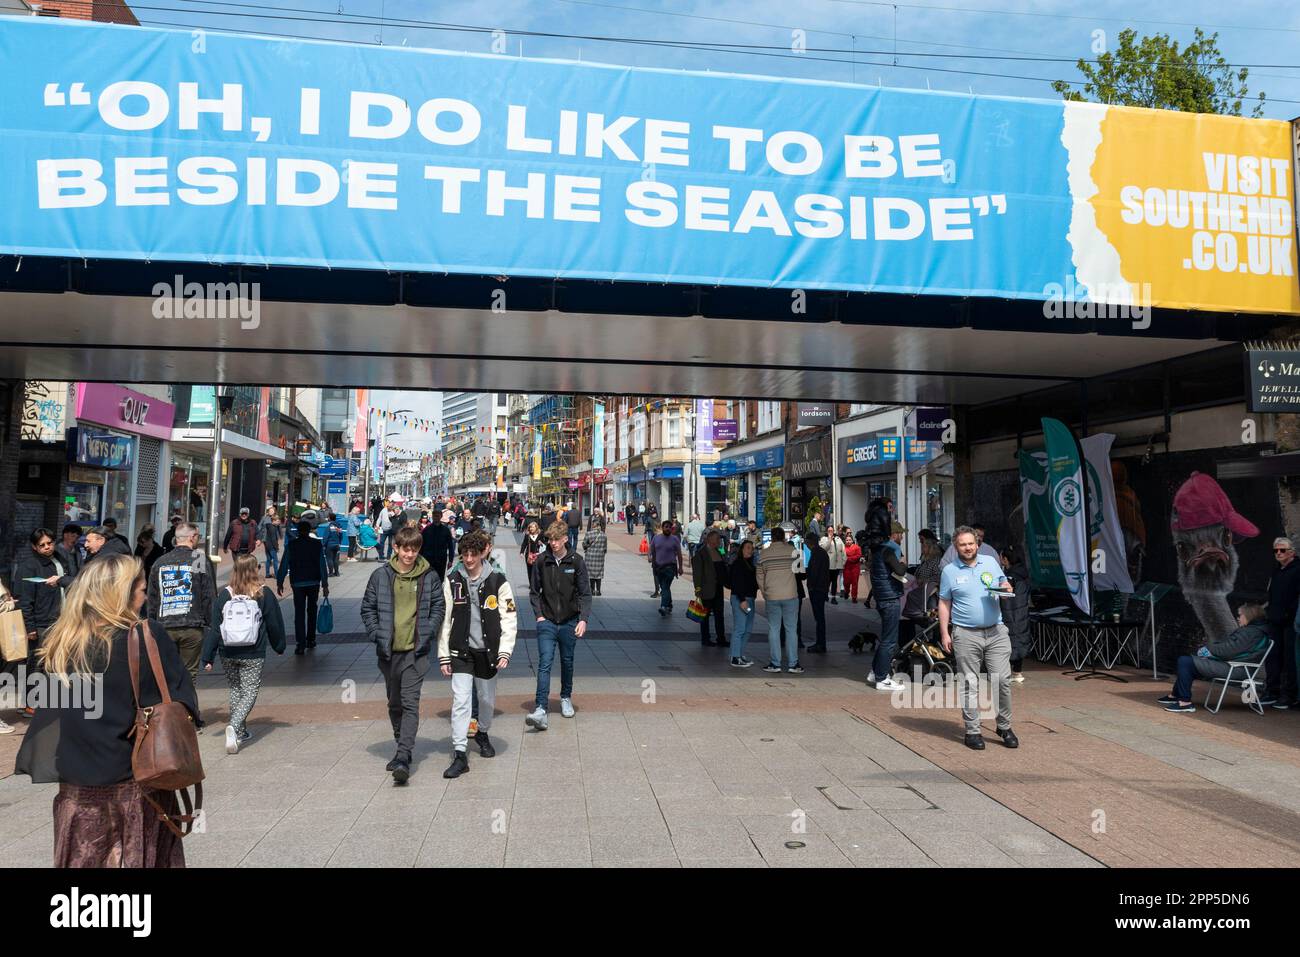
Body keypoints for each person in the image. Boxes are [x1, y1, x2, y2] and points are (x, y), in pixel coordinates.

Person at [14, 554, 198, 867]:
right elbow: (178, 700)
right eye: (141, 592)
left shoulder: (61, 642)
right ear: (120, 597)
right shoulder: (143, 637)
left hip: (77, 785)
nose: (145, 599)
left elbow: (58, 709)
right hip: (135, 780)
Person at [361, 525, 445, 783]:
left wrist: (428, 633)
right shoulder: (381, 576)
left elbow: (438, 608)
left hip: (415, 653)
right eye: (405, 549)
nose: (410, 554)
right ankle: (402, 744)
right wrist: (376, 633)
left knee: (410, 703)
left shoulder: (428, 576)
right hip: (388, 652)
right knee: (394, 703)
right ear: (396, 548)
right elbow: (368, 608)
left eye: (414, 549)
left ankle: (403, 755)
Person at [438, 530, 517, 778]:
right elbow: (445, 620)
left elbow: (509, 618)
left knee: (486, 699)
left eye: (473, 554)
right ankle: (460, 752)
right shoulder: (452, 580)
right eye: (465, 554)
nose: (469, 559)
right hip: (461, 651)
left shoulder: (498, 581)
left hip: (488, 651)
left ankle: (482, 731)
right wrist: (443, 654)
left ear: (483, 553)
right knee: (461, 700)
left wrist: (505, 651)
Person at [939, 526, 1017, 750]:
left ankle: (1004, 725)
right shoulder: (950, 571)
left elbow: (1003, 583)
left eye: (970, 543)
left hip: (995, 631)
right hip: (965, 633)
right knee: (969, 683)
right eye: (962, 544)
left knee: (1002, 681)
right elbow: (944, 603)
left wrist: (1005, 586)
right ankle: (972, 731)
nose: (967, 547)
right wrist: (945, 632)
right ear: (956, 547)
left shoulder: (991, 562)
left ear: (977, 544)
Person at [201, 553, 287, 754]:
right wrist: (279, 646)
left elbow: (215, 628)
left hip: (227, 650)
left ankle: (240, 732)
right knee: (249, 691)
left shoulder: (225, 594)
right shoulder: (263, 593)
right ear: (255, 569)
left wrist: (208, 656)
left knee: (235, 689)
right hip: (253, 651)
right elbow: (274, 623)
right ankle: (235, 724)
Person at [526, 521, 592, 731]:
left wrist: (583, 619)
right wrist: (539, 616)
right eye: (550, 540)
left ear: (565, 539)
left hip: (569, 621)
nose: (552, 543)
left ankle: (565, 697)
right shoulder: (542, 561)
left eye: (556, 539)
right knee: (545, 662)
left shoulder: (576, 561)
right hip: (547, 620)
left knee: (567, 661)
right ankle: (540, 708)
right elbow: (534, 591)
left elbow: (585, 593)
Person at [1160, 603, 1271, 713]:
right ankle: (1176, 695)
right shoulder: (1255, 631)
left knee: (1185, 662)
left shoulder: (1251, 632)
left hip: (1235, 669)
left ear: (1249, 616)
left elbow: (1229, 650)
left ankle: (1184, 703)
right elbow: (1233, 649)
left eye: (1240, 615)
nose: (1238, 618)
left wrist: (1209, 650)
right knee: (1188, 665)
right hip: (1236, 667)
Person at [146, 522, 217, 695]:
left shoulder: (161, 562)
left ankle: (170, 708)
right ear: (192, 537)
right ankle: (188, 712)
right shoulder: (197, 559)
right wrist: (211, 623)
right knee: (189, 674)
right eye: (198, 537)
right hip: (192, 625)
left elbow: (152, 599)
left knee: (168, 672)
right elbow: (207, 594)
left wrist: (152, 626)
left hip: (164, 627)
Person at [14, 529, 74, 715]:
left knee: (54, 664)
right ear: (34, 547)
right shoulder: (29, 566)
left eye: (49, 543)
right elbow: (25, 599)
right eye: (42, 545)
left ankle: (46, 701)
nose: (47, 547)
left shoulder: (60, 559)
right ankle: (30, 704)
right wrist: (30, 626)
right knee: (35, 664)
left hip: (60, 620)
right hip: (41, 623)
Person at [277, 520, 330, 654]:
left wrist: (280, 581)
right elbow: (321, 564)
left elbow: (284, 564)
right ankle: (311, 639)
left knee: (299, 613)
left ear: (298, 531)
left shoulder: (292, 545)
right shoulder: (316, 544)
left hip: (298, 583)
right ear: (309, 530)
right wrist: (325, 584)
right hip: (313, 582)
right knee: (312, 611)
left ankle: (300, 643)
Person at [867, 522, 909, 691]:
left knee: (886, 638)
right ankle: (882, 678)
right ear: (893, 535)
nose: (902, 537)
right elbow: (900, 571)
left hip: (882, 597)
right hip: (890, 597)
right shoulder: (889, 550)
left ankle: (875, 671)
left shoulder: (877, 550)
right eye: (900, 534)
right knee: (890, 640)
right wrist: (904, 563)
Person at [1262, 536, 1300, 709]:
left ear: (1291, 552)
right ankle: (1272, 691)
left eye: (1282, 550)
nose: (1278, 553)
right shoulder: (1276, 570)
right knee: (1272, 657)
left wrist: (1288, 614)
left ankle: (1288, 695)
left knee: (1289, 659)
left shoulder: (1298, 570)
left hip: (1290, 622)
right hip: (1274, 620)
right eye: (1276, 550)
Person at [757, 527, 802, 674]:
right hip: (790, 595)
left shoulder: (763, 554)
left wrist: (765, 592)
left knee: (774, 629)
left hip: (772, 596)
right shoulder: (793, 551)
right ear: (783, 537)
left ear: (772, 537)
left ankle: (775, 663)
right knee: (791, 629)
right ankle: (793, 664)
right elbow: (800, 571)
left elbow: (759, 576)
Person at [690, 529, 728, 647]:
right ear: (710, 540)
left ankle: (721, 638)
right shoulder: (701, 554)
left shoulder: (719, 551)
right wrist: (698, 589)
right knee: (704, 615)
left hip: (718, 588)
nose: (719, 541)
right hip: (707, 589)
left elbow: (723, 566)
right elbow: (697, 574)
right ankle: (705, 639)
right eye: (717, 539)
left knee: (719, 614)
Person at [1000, 544, 1032, 682]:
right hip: (1022, 612)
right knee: (1019, 638)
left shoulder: (1010, 577)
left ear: (1006, 560)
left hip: (1010, 613)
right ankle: (1017, 672)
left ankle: (1009, 672)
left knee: (1010, 639)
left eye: (1001, 557)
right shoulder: (1023, 573)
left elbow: (1005, 595)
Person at [728, 539, 759, 668]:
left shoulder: (750, 564)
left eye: (751, 548)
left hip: (749, 599)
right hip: (741, 599)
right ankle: (735, 657)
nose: (750, 550)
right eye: (747, 547)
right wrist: (742, 600)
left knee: (747, 629)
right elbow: (737, 583)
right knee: (740, 628)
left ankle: (739, 654)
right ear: (741, 549)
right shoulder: (738, 564)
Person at [648, 518, 683, 616]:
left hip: (670, 567)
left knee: (665, 586)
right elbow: (650, 549)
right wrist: (649, 556)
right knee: (665, 587)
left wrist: (680, 567)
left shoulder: (675, 539)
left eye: (669, 527)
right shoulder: (656, 538)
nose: (668, 529)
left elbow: (679, 555)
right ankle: (669, 604)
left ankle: (663, 606)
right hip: (658, 567)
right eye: (666, 527)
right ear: (662, 528)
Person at [805, 531, 831, 653]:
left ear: (810, 543)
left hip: (817, 590)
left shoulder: (816, 554)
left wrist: (811, 586)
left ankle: (820, 644)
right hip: (822, 588)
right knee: (820, 618)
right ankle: (821, 643)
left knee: (819, 618)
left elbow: (814, 573)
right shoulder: (822, 553)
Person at [420, 506, 456, 579]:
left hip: (441, 559)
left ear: (441, 516)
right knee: (428, 578)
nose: (436, 517)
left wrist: (451, 560)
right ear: (432, 516)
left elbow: (450, 546)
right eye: (434, 516)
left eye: (437, 516)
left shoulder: (446, 530)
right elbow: (421, 545)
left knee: (440, 579)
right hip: (428, 559)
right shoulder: (426, 530)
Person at [582, 515, 608, 596]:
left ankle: (592, 590)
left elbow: (584, 544)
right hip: (599, 557)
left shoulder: (589, 534)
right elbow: (605, 548)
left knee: (590, 574)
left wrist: (586, 547)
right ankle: (599, 591)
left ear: (593, 525)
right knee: (598, 574)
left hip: (590, 556)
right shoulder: (603, 535)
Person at [823, 527, 846, 605]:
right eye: (829, 530)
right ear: (827, 531)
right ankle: (825, 594)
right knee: (827, 581)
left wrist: (844, 560)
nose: (830, 532)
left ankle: (833, 598)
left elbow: (843, 549)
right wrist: (829, 540)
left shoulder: (838, 538)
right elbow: (824, 548)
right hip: (828, 565)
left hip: (837, 564)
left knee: (834, 581)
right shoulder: (824, 539)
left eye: (832, 530)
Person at [261, 513, 282, 580]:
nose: (279, 522)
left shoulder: (269, 526)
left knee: (268, 560)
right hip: (272, 546)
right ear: (273, 521)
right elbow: (273, 539)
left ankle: (267, 574)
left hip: (267, 545)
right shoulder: (273, 528)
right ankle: (276, 574)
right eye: (278, 521)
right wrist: (277, 547)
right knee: (275, 560)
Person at [842, 528, 862, 603]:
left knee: (854, 583)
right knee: (846, 582)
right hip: (846, 568)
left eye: (849, 540)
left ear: (852, 540)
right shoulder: (843, 547)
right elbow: (842, 556)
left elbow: (858, 556)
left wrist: (848, 558)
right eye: (847, 540)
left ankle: (854, 597)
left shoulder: (857, 547)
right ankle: (846, 592)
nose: (848, 541)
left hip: (855, 568)